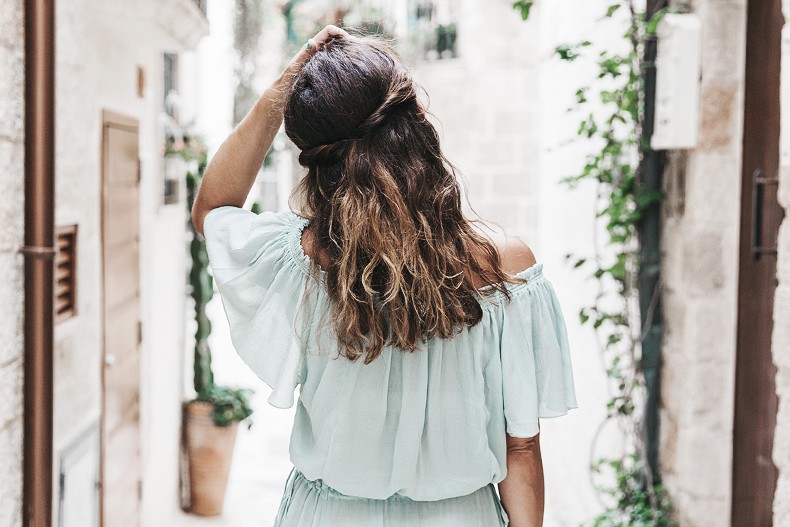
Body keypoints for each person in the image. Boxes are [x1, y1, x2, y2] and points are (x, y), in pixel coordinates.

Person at [192, 24, 577, 527]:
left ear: (314, 155)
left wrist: (279, 93)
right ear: (415, 126)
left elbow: (213, 210)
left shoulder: (301, 259)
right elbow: (521, 446)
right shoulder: (506, 270)